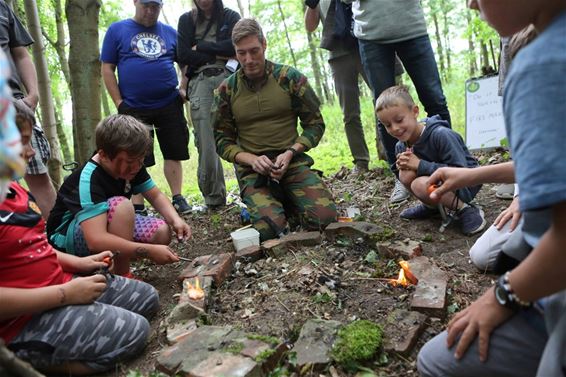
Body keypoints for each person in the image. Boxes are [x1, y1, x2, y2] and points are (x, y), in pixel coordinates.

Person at [418, 1, 566, 376]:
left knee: (436, 362)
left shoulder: (542, 66)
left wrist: (502, 296)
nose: (470, 2)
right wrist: (469, 176)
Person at [2, 101, 159, 375]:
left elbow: (35, 249)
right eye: (22, 142)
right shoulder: (90, 176)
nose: (30, 152)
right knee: (136, 333)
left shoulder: (14, 189)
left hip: (59, 282)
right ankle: (23, 362)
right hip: (23, 319)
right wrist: (65, 295)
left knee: (147, 298)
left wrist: (80, 264)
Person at [212, 18, 337, 242]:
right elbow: (222, 140)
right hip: (254, 170)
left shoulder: (290, 78)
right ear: (235, 52)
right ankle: (273, 205)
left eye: (254, 51)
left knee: (325, 220)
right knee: (270, 229)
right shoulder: (226, 90)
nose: (248, 60)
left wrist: (291, 152)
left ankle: (288, 198)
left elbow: (315, 125)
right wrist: (251, 159)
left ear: (264, 45)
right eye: (242, 54)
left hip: (291, 162)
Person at [46, 114, 191, 278]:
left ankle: (118, 256)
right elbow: (95, 240)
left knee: (162, 233)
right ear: (104, 155)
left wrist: (176, 220)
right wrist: (149, 251)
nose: (136, 167)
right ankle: (121, 274)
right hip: (68, 241)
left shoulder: (133, 164)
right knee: (121, 207)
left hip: (104, 225)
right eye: (129, 162)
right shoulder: (89, 178)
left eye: (140, 160)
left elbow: (155, 196)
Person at [343, 0, 451, 204]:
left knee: (434, 99)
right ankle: (402, 177)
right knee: (384, 110)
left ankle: (451, 166)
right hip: (370, 33)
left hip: (411, 27)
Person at [101, 0, 191, 215]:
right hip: (133, 105)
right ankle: (138, 204)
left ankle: (177, 197)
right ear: (135, 3)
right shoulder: (117, 30)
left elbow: (185, 62)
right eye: (145, 6)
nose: (150, 11)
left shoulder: (169, 32)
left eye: (155, 7)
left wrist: (183, 88)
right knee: (134, 155)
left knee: (174, 150)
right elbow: (107, 67)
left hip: (169, 102)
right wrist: (118, 102)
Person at [375, 85, 485, 236]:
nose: (394, 128)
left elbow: (461, 171)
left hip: (465, 184)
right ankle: (431, 207)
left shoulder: (441, 135)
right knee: (405, 175)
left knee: (420, 184)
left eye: (399, 120)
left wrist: (420, 165)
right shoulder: (401, 145)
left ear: (415, 111)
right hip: (440, 185)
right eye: (387, 125)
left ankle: (465, 209)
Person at [177, 0, 240, 210]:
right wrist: (219, 51)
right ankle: (214, 199)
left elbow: (235, 47)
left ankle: (254, 191)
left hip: (230, 76)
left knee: (241, 134)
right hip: (200, 80)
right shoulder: (187, 20)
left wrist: (203, 48)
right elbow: (183, 54)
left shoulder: (230, 16)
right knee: (206, 141)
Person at [0, 0, 57, 218]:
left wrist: (33, 95)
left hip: (15, 106)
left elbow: (21, 53)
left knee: (39, 177)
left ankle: (55, 241)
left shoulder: (3, 8)